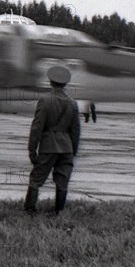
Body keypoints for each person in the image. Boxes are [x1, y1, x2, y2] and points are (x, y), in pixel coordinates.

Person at [24, 66, 81, 214]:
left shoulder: (44, 100)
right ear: (65, 84)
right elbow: (76, 130)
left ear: (50, 82)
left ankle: (29, 210)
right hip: (66, 147)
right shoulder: (73, 103)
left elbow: (37, 126)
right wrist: (73, 150)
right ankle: (59, 211)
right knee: (62, 181)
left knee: (36, 179)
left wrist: (32, 149)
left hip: (49, 145)